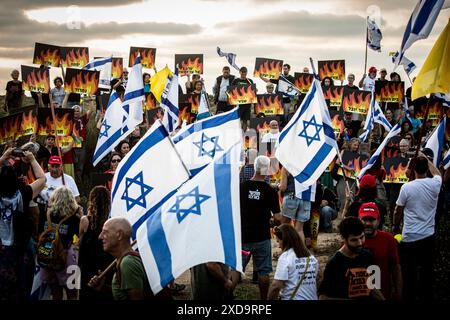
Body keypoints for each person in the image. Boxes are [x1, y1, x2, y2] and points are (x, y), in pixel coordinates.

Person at [394, 155, 442, 300]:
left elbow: (398, 210)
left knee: (409, 274)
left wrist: (396, 226)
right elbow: (438, 173)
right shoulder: (435, 183)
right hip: (428, 237)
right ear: (427, 168)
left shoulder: (406, 187)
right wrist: (426, 159)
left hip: (410, 238)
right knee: (427, 273)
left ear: (413, 169)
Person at [0, 149, 46, 300]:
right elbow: (41, 179)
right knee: (22, 288)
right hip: (21, 249)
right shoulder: (24, 193)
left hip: (2, 249)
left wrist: (3, 158)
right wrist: (32, 160)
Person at [89, 217, 171, 300]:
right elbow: (124, 295)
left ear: (119, 235)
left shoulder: (128, 263)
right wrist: (103, 288)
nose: (100, 236)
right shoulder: (123, 260)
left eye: (105, 232)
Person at [240, 155, 281, 300]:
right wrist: (271, 223)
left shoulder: (241, 187)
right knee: (263, 272)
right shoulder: (270, 191)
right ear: (267, 169)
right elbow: (278, 218)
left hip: (243, 237)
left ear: (255, 168)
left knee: (235, 269)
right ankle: (264, 301)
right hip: (262, 237)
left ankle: (227, 293)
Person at [318, 217, 384, 300]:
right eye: (354, 240)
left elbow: (374, 287)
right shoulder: (335, 263)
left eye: (362, 237)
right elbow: (323, 297)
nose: (360, 243)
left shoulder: (368, 256)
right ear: (344, 239)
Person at [39, 186, 81, 300]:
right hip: (66, 258)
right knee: (72, 293)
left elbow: (39, 232)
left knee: (55, 292)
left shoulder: (45, 214)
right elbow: (76, 238)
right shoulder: (73, 219)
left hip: (47, 255)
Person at [359, 202, 402, 300]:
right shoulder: (351, 241)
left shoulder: (389, 239)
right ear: (359, 219)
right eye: (365, 219)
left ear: (378, 221)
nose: (368, 223)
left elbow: (396, 268)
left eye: (372, 220)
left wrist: (398, 294)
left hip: (383, 295)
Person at [78, 186, 114, 300]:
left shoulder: (85, 221)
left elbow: (78, 243)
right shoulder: (111, 222)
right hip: (105, 268)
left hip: (87, 268)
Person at [268, 224, 318, 300]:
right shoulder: (311, 258)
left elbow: (276, 286)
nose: (279, 246)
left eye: (278, 241)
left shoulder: (286, 257)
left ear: (285, 240)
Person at [279, 167, 311, 243]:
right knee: (299, 229)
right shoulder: (308, 165)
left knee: (284, 227)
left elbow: (283, 187)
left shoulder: (287, 165)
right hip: (305, 198)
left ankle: (284, 252)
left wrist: (278, 186)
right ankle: (300, 253)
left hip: (291, 196)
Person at [72, 102, 93, 188]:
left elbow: (90, 111)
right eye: (74, 111)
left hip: (82, 146)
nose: (76, 112)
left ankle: (79, 184)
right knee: (73, 165)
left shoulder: (82, 119)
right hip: (71, 147)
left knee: (80, 166)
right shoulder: (69, 119)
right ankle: (72, 182)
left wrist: (91, 100)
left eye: (77, 111)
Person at [231, 67, 254, 132]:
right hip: (238, 104)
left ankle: (243, 134)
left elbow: (253, 91)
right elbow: (231, 91)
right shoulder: (236, 80)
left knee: (245, 120)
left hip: (247, 104)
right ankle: (238, 133)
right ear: (240, 72)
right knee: (238, 120)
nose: (243, 73)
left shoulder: (250, 81)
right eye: (242, 72)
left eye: (245, 72)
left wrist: (255, 90)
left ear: (246, 72)